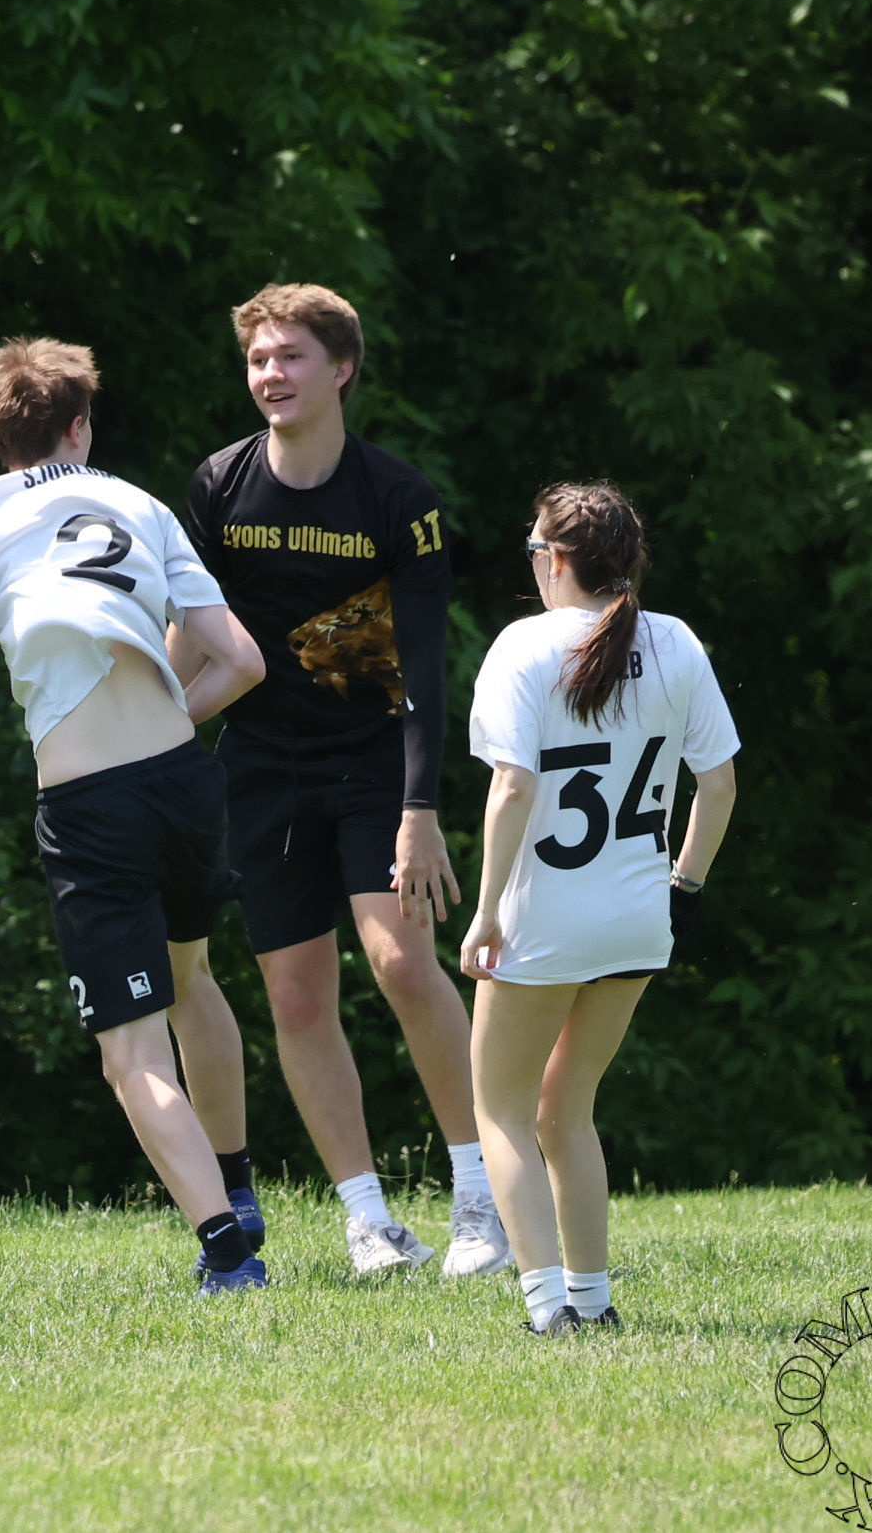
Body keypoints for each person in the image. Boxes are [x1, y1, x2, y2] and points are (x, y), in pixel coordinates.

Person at [0, 338, 272, 1292]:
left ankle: (227, 1248)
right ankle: (237, 1179)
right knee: (193, 977)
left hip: (94, 805)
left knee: (130, 1051)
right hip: (183, 782)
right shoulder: (139, 503)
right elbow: (243, 662)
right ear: (80, 427)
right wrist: (171, 720)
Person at [176, 284, 509, 1278]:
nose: (269, 374)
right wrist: (145, 731)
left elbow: (427, 670)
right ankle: (368, 1220)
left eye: (289, 357)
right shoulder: (219, 485)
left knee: (402, 963)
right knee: (295, 995)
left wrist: (421, 809)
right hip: (260, 765)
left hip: (373, 759)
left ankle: (483, 1196)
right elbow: (190, 631)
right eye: (257, 359)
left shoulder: (398, 498)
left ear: (341, 369)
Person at [459, 481, 739, 1335]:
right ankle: (593, 1301)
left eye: (534, 551)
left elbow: (513, 787)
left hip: (546, 918)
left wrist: (486, 912)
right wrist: (686, 888)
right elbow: (719, 784)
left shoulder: (522, 645)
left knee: (502, 1108)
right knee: (566, 1107)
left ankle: (548, 1307)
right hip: (638, 917)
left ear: (555, 560)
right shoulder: (676, 640)